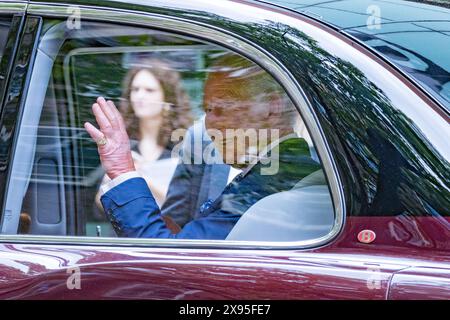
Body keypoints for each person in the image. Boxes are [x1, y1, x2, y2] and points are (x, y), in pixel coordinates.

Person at [85, 54, 320, 240]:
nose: (210, 124)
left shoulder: (269, 182)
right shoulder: (284, 168)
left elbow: (167, 259)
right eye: (207, 110)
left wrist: (122, 169)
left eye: (221, 107)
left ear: (272, 106)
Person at [94, 58, 192, 208]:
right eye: (135, 89)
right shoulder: (121, 142)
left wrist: (137, 175)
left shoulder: (182, 146)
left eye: (149, 90)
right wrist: (114, 175)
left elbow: (186, 205)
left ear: (167, 97)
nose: (140, 96)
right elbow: (100, 204)